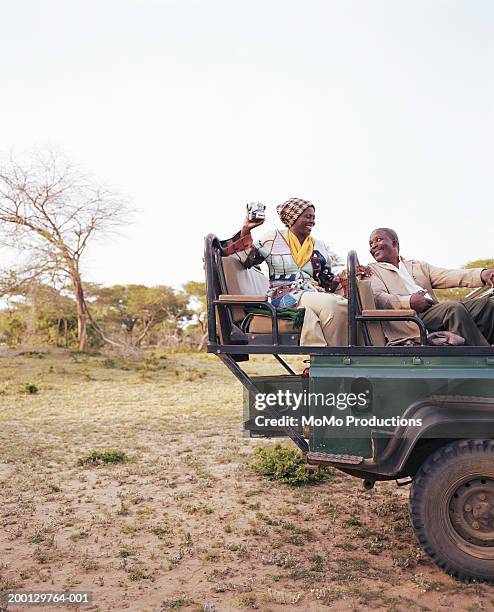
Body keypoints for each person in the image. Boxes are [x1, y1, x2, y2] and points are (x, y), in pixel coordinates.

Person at [220, 198, 348, 346]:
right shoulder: (272, 238)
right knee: (331, 305)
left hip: (313, 292)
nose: (312, 221)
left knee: (344, 305)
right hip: (283, 295)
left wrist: (347, 276)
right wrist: (246, 229)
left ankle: (332, 357)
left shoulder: (319, 245)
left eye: (313, 217)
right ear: (292, 218)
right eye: (307, 216)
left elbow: (327, 280)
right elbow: (246, 260)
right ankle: (327, 359)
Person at [368, 227, 494, 346]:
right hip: (410, 317)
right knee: (453, 308)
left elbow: (448, 275)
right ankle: (480, 359)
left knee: (486, 306)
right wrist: (409, 301)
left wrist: (482, 274)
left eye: (378, 239)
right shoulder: (372, 270)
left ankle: (477, 348)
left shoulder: (417, 265)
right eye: (371, 243)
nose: (373, 245)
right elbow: (379, 298)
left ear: (395, 243)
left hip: (434, 310)